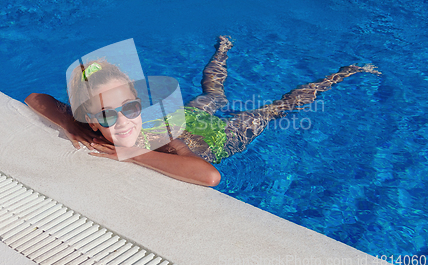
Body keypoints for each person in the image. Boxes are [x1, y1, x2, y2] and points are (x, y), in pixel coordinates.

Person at [25, 36, 381, 187]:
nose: (121, 122)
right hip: (186, 121)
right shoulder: (89, 126)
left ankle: (343, 73)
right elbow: (36, 98)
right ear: (89, 116)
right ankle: (224, 49)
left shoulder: (157, 130)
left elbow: (209, 175)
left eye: (130, 108)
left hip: (217, 137)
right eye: (105, 116)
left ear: (140, 103)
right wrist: (71, 126)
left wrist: (132, 155)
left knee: (274, 108)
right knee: (215, 93)